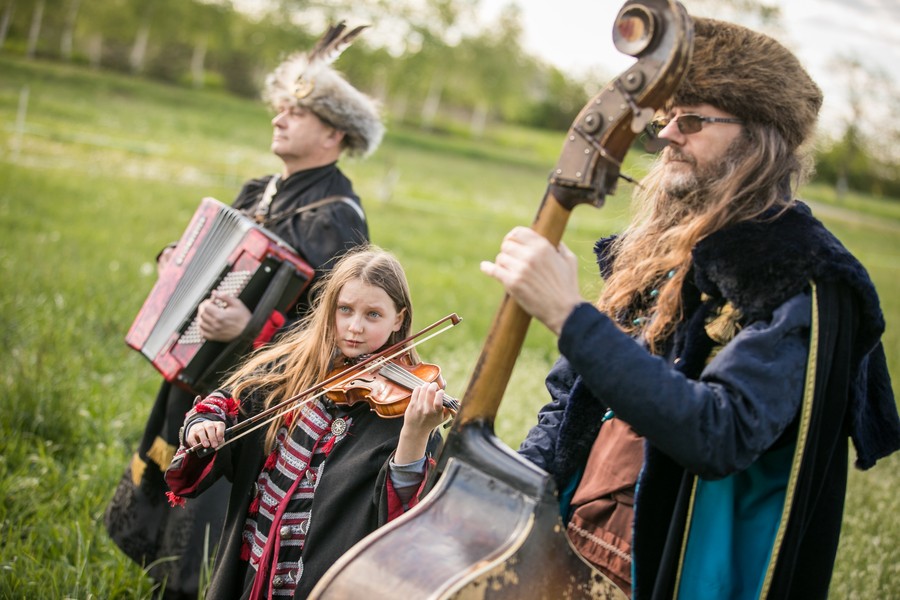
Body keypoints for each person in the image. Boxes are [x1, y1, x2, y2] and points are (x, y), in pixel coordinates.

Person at [481, 16, 900, 600]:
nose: (668, 134)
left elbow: (719, 433)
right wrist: (517, 503)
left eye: (694, 119)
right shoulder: (659, 249)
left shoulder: (799, 271)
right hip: (572, 532)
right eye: (666, 116)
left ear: (758, 137)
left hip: (662, 562)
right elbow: (570, 400)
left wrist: (570, 316)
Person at [105, 23, 384, 599]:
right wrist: (172, 264)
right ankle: (161, 576)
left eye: (296, 113)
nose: (278, 119)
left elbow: (335, 321)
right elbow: (208, 258)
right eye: (279, 109)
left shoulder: (336, 215)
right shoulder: (261, 189)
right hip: (196, 371)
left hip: (254, 395)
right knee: (168, 469)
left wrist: (250, 330)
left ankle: (188, 586)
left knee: (204, 531)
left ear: (334, 135)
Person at [164, 247, 447, 599]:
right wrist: (203, 425)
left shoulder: (406, 409)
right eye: (345, 310)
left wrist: (415, 434)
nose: (354, 327)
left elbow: (397, 520)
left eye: (373, 314)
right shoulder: (295, 369)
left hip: (319, 581)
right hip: (253, 565)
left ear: (399, 319)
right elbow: (229, 401)